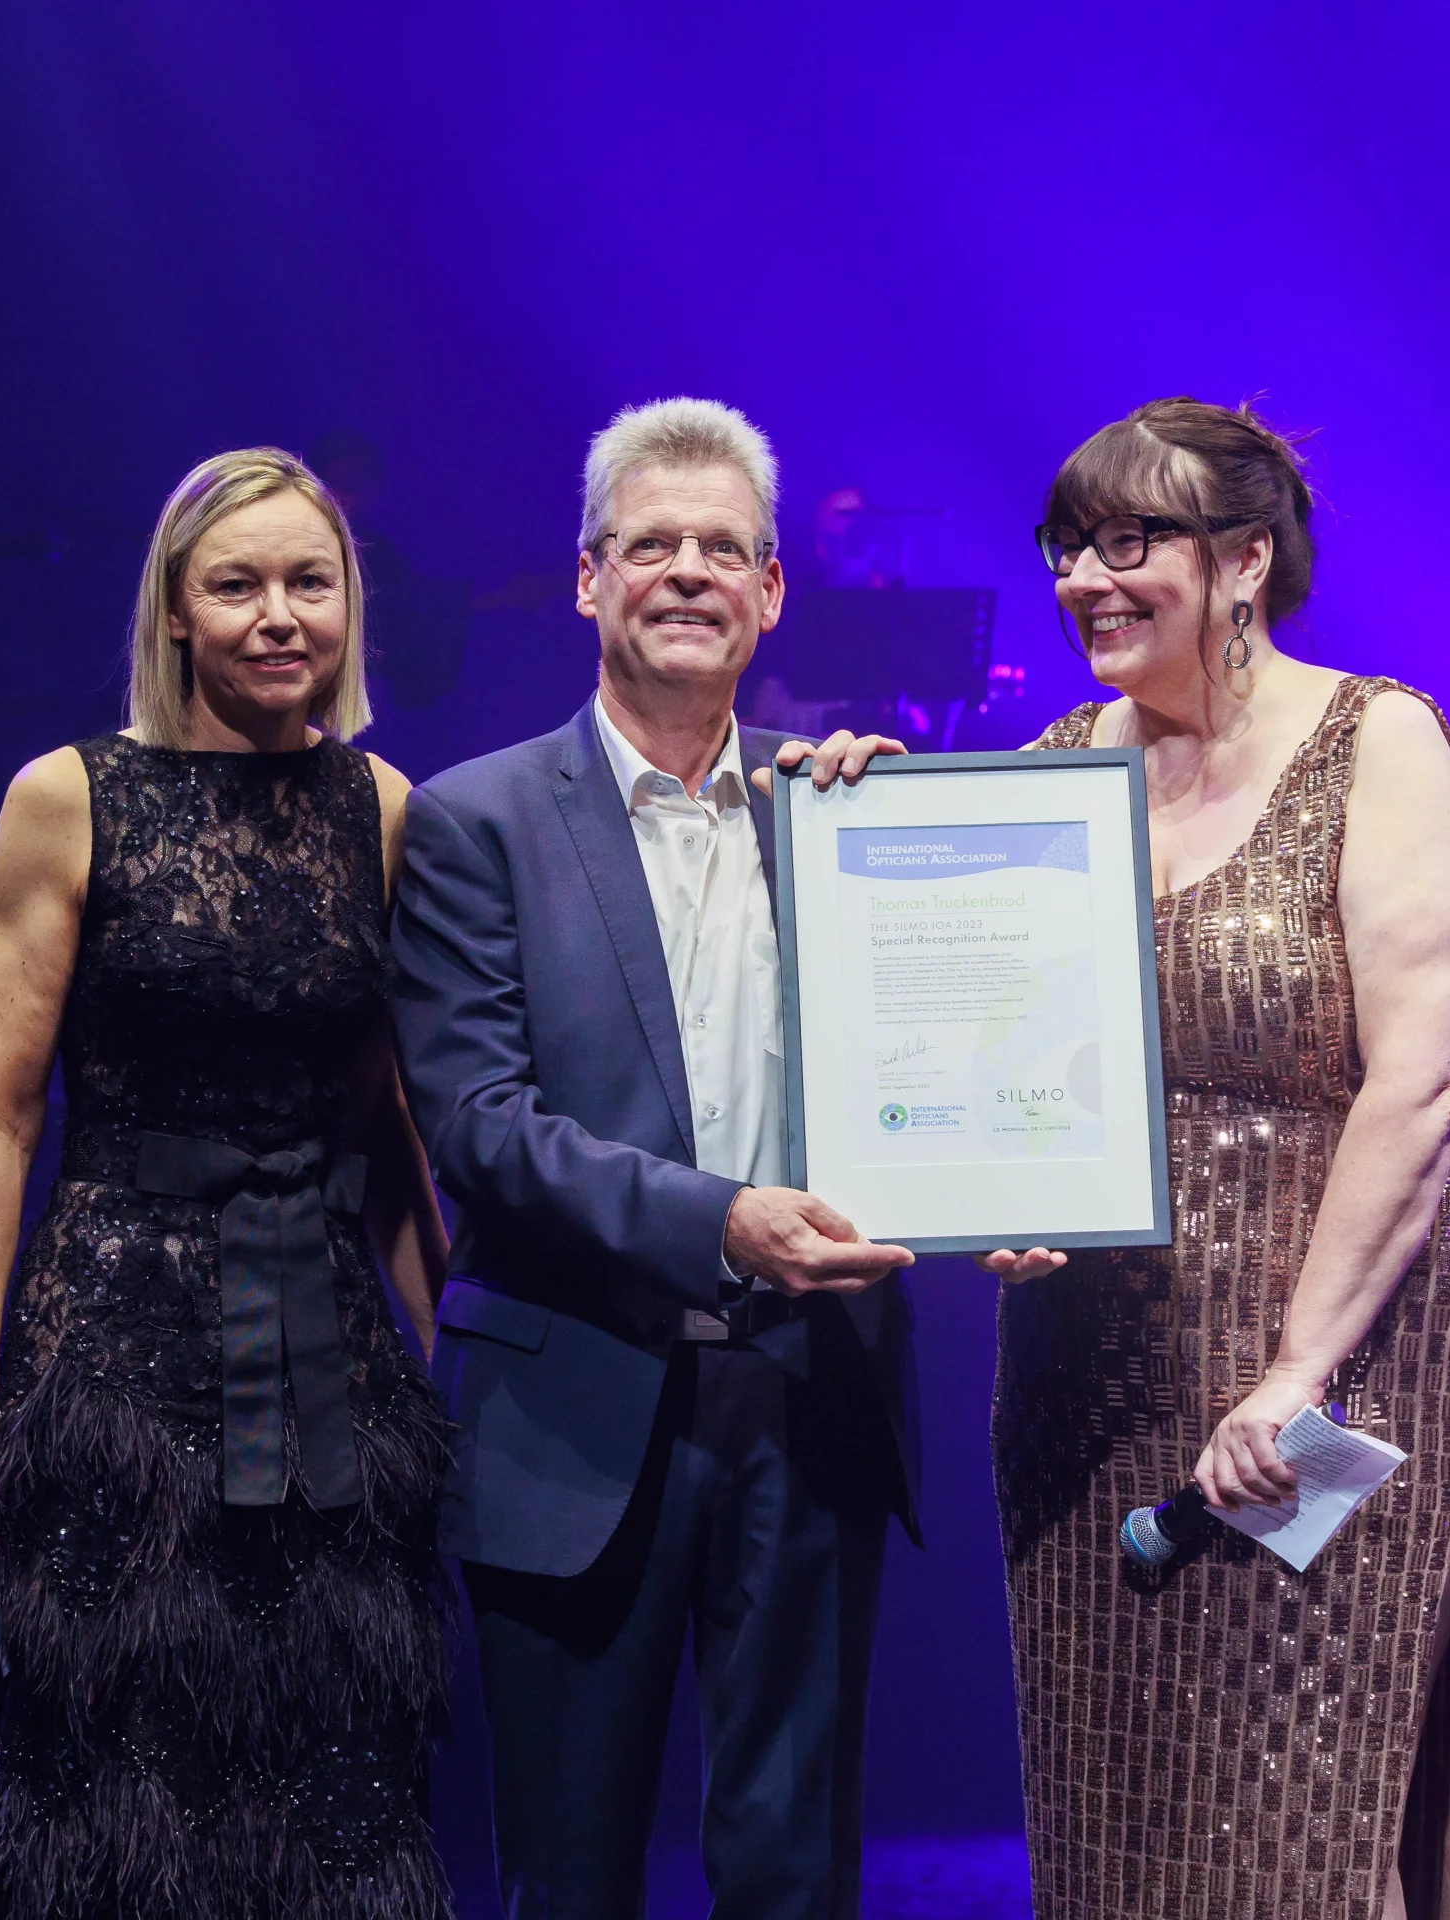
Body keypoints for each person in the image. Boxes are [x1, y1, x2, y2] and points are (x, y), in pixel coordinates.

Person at [981, 399, 1450, 1920]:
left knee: (1304, 1790)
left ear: (1244, 561)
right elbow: (998, 1056)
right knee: (1121, 1770)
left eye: (1130, 541)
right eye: (1067, 546)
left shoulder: (1377, 739)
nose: (1085, 579)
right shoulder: (1048, 769)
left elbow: (1424, 1082)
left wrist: (1298, 1369)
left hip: (1362, 1331)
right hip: (1103, 1344)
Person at [0, 448, 453, 1919]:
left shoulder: (384, 806)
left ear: (348, 605)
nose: (278, 615)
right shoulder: (67, 798)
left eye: (309, 582)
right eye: (238, 584)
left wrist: (455, 1358)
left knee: (324, 1776)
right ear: (176, 610)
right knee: (96, 1779)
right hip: (112, 1357)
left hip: (327, 1355)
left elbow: (388, 1124)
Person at [390, 397, 918, 1920]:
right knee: (568, 1875)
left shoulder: (844, 812)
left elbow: (939, 1070)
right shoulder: (477, 819)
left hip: (811, 1391)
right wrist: (724, 1221)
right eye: (651, 546)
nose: (688, 572)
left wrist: (998, 1196)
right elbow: (479, 1126)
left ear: (771, 591)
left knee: (795, 1874)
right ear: (587, 579)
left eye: (724, 550)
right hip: (573, 1406)